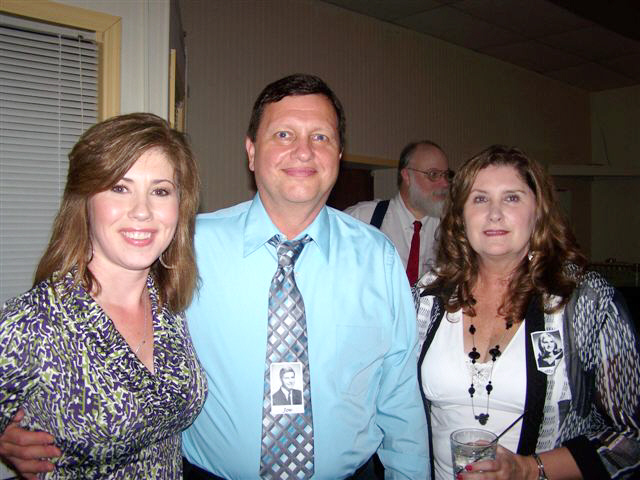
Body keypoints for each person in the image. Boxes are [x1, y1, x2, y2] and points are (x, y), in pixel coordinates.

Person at [178, 73, 427, 479]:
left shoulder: (377, 258)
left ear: (339, 155)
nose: (304, 151)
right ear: (251, 152)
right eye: (283, 135)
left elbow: (400, 398)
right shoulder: (189, 247)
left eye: (321, 137)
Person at [0, 113, 207, 478]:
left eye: (160, 191)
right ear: (85, 200)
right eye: (119, 188)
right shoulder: (33, 322)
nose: (142, 211)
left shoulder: (171, 307)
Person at [416, 145, 640, 479]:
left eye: (512, 198)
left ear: (538, 212)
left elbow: (630, 439)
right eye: (480, 199)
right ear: (461, 216)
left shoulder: (587, 302)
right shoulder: (427, 297)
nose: (494, 213)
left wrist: (528, 469)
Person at [346, 141, 451, 285]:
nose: (445, 184)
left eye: (446, 175)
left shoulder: (452, 229)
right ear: (407, 176)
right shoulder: (361, 219)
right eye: (433, 174)